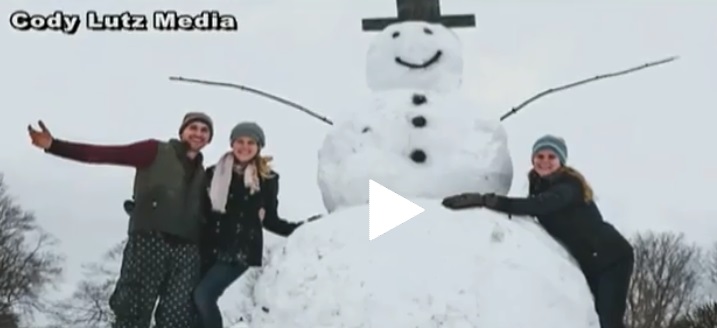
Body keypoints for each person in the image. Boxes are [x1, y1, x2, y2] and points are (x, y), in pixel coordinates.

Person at [123, 121, 322, 328]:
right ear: (232, 144)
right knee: (187, 301)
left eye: (250, 142)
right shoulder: (213, 173)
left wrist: (303, 227)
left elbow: (271, 219)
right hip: (209, 246)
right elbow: (194, 208)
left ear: (259, 147)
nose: (244, 147)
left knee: (204, 296)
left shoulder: (267, 179)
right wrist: (150, 212)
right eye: (239, 141)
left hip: (240, 251)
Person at [28, 112, 214, 328]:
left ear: (209, 138)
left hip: (187, 251)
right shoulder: (154, 151)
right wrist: (54, 145)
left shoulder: (207, 176)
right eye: (194, 128)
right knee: (133, 310)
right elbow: (106, 154)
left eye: (204, 130)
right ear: (182, 131)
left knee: (177, 316)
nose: (198, 134)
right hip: (150, 241)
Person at [441, 134, 634, 328]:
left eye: (551, 157)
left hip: (611, 259)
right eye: (540, 156)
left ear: (561, 161)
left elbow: (537, 206)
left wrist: (486, 200)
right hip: (590, 260)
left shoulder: (568, 187)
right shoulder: (539, 184)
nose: (545, 162)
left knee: (609, 322)